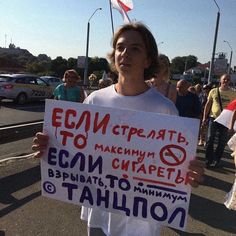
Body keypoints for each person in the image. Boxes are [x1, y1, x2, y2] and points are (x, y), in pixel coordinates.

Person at [32, 23, 204, 236]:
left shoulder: (164, 109)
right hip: (99, 213)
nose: (125, 54)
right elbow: (76, 150)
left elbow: (173, 166)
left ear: (148, 60)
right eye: (120, 48)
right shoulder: (95, 100)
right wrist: (51, 147)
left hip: (141, 222)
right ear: (114, 56)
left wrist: (189, 173)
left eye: (135, 49)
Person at [202, 74, 235, 168]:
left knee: (222, 142)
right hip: (213, 118)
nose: (226, 81)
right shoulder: (213, 91)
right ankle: (208, 160)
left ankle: (216, 160)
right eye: (224, 79)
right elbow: (208, 105)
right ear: (220, 80)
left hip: (226, 120)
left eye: (228, 80)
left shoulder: (233, 93)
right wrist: (205, 117)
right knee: (209, 139)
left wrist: (232, 124)